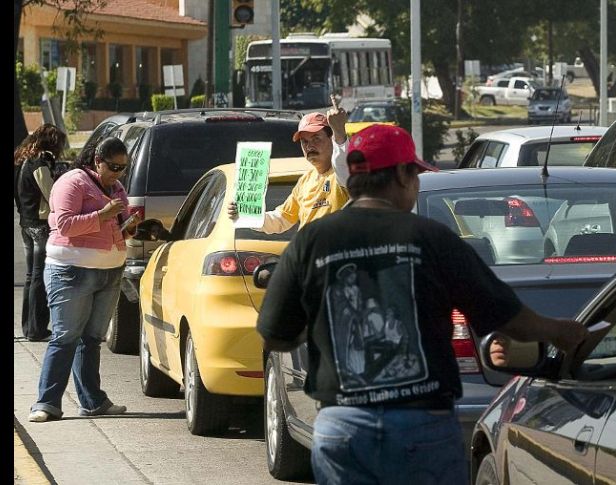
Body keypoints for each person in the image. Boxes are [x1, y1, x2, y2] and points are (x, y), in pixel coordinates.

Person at [256, 124, 587, 484]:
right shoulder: (431, 238)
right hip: (421, 428)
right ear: (400, 174)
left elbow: (276, 333)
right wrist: (561, 332)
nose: (416, 184)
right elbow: (506, 316)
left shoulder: (312, 242)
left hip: (343, 429)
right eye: (414, 174)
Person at [28, 137, 141, 422]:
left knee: (91, 340)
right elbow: (63, 224)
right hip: (71, 269)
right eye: (113, 166)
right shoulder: (72, 182)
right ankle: (46, 403)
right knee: (66, 337)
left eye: (123, 168)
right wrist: (102, 215)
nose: (118, 173)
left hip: (109, 271)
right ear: (97, 161)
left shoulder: (116, 188)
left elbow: (119, 230)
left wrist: (130, 227)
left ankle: (93, 401)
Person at [227, 97, 351, 232]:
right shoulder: (305, 181)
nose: (309, 146)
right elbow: (281, 219)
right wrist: (247, 215)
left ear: (331, 139)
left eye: (316, 138)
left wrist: (339, 133)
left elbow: (343, 165)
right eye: (304, 141)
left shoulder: (343, 174)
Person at [15, 123, 67, 341]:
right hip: (39, 224)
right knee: (39, 277)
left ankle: (29, 328)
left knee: (31, 276)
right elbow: (52, 194)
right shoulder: (39, 164)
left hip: (26, 223)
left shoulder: (23, 159)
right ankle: (37, 329)